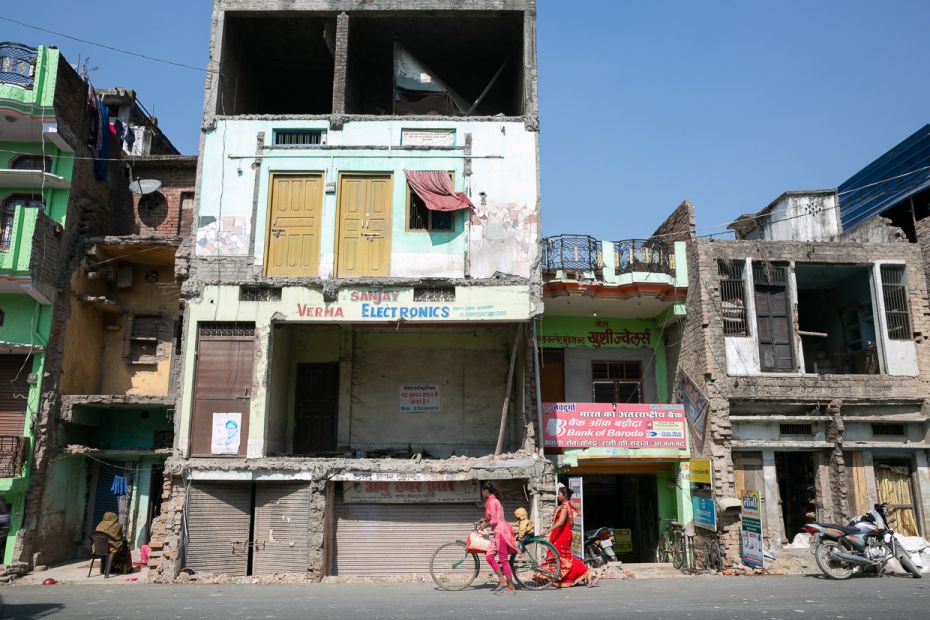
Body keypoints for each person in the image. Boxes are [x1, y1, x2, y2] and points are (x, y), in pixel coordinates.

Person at [540, 485, 595, 587]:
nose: (557, 496)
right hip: (560, 534)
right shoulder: (566, 506)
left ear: (564, 495)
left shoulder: (565, 507)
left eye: (559, 494)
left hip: (562, 535)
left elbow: (560, 522)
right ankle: (562, 577)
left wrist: (547, 530)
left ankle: (586, 572)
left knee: (563, 557)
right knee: (560, 557)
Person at [478, 481, 519, 595]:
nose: (482, 494)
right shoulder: (495, 501)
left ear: (486, 491)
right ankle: (502, 580)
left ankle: (511, 587)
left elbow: (495, 520)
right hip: (498, 532)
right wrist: (485, 521)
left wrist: (484, 525)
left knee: (503, 560)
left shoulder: (492, 502)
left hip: (501, 533)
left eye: (482, 491)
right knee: (490, 556)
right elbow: (493, 518)